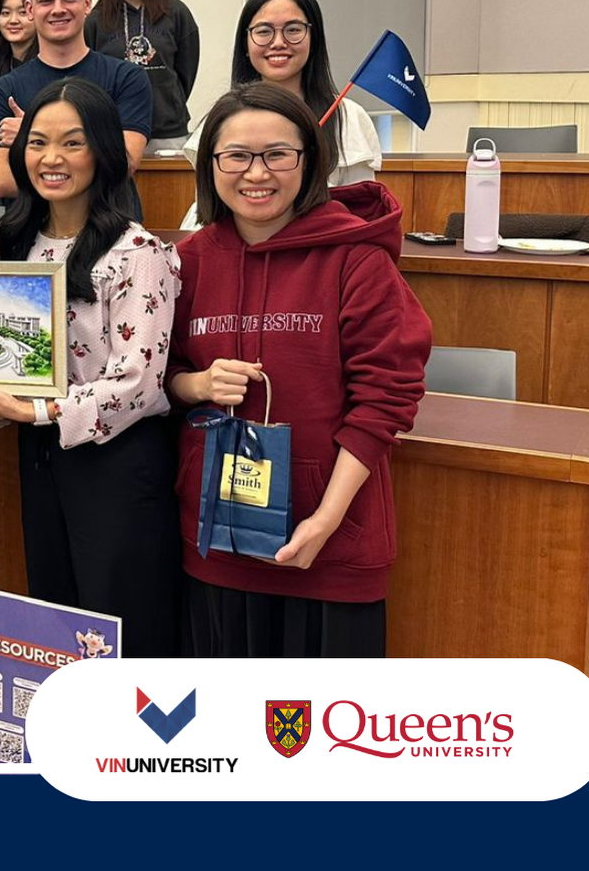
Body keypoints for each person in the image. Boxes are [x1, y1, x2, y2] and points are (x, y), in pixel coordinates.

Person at [167, 83, 430, 657]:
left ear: (309, 162)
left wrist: (326, 519)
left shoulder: (356, 259)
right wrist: (197, 384)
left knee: (327, 738)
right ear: (210, 163)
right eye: (236, 155)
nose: (255, 173)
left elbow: (386, 397)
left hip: (330, 545)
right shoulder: (186, 262)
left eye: (277, 154)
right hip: (219, 542)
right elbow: (164, 374)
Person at [0, 80, 182, 654]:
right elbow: (14, 376)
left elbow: (138, 385)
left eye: (73, 142)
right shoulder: (18, 245)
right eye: (38, 142)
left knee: (120, 625)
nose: (52, 158)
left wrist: (33, 409)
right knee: (57, 618)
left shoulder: (138, 253)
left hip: (117, 461)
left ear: (103, 153)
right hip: (41, 455)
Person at [0, 0, 153, 220]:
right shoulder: (5, 89)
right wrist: (90, 147)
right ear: (30, 9)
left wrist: (32, 136)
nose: (58, 9)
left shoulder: (127, 78)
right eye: (46, 1)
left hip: (111, 231)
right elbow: (1, 179)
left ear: (86, 4)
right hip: (32, 236)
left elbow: (124, 164)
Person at [217, 0, 382, 186]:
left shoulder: (347, 117)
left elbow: (361, 206)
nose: (278, 43)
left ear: (314, 39)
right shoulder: (222, 118)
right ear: (245, 43)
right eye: (263, 31)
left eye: (293, 30)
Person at [88, 0, 201, 151]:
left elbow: (186, 72)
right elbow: (90, 75)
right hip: (114, 132)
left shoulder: (176, 13)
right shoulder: (95, 20)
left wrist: (167, 99)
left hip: (168, 132)